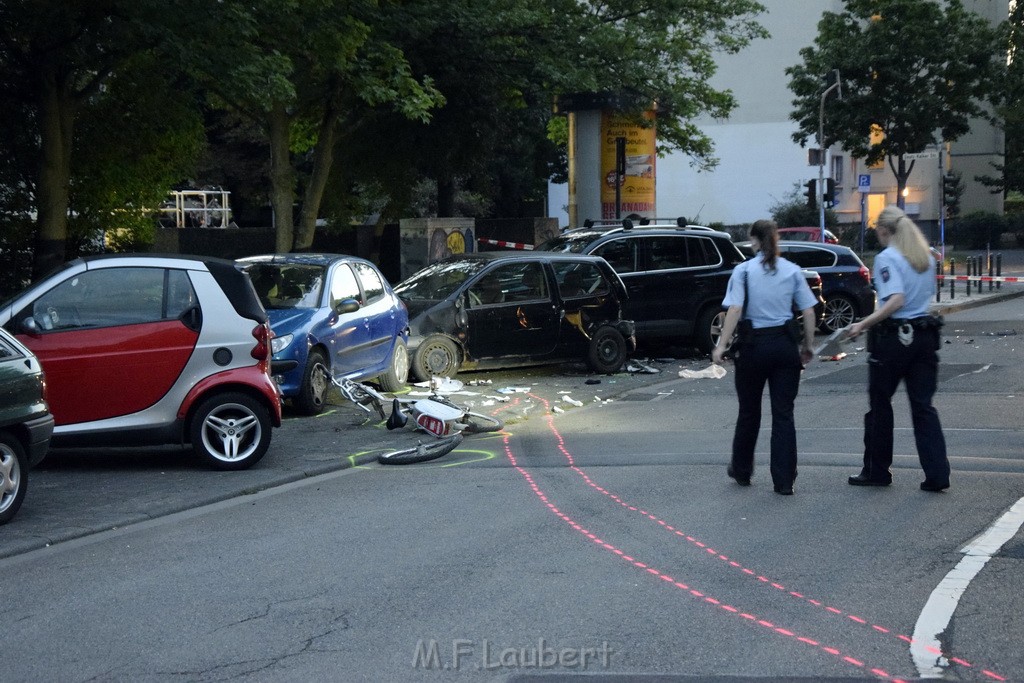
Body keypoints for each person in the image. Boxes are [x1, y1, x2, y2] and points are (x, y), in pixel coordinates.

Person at [844, 205, 949, 492]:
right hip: (925, 335)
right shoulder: (925, 256)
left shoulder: (887, 258)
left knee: (880, 406)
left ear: (883, 229)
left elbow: (895, 300)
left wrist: (863, 324)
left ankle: (877, 470)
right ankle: (937, 473)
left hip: (894, 339)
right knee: (923, 407)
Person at [712, 219, 818, 495]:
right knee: (783, 414)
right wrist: (807, 346)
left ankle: (742, 469)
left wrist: (721, 345)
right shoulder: (792, 271)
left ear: (755, 241)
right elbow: (808, 311)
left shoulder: (744, 272)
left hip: (752, 347)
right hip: (784, 346)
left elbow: (735, 310)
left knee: (749, 411)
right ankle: (784, 480)